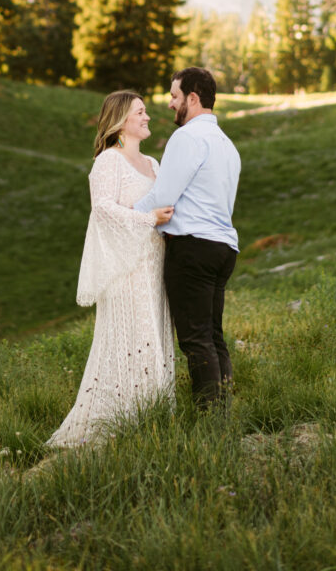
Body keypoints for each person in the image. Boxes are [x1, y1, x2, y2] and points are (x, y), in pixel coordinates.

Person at [46, 90, 175, 447]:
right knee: (129, 337)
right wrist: (148, 218)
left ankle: (152, 418)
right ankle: (113, 421)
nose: (148, 117)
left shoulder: (153, 164)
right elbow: (102, 209)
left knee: (155, 334)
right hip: (125, 268)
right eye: (140, 112)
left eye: (146, 111)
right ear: (120, 121)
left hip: (154, 266)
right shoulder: (108, 162)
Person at [134, 67, 241, 409]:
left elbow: (162, 196)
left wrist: (127, 215)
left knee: (195, 340)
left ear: (193, 99)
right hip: (224, 248)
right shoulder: (227, 145)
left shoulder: (188, 138)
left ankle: (211, 419)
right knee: (212, 336)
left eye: (174, 96)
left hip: (192, 248)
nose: (169, 104)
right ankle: (223, 414)